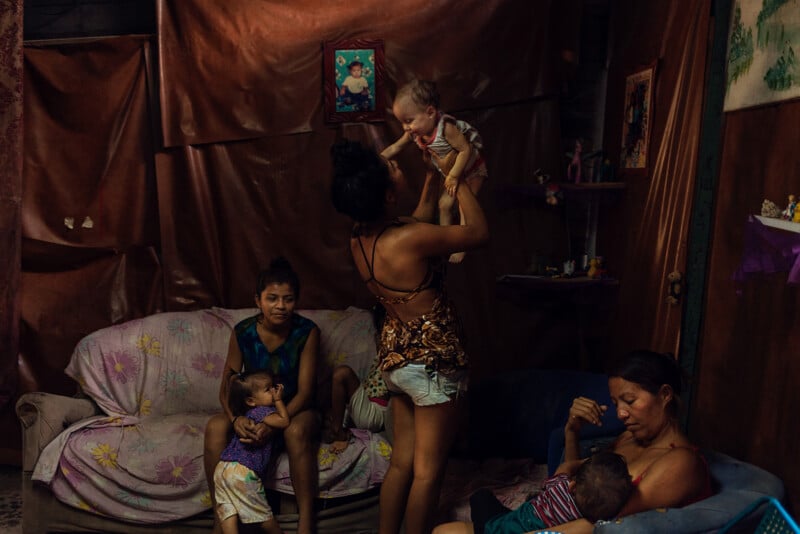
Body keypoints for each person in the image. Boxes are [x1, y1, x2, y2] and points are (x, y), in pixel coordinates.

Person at [330, 139, 489, 534]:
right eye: (392, 170)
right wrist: (457, 178)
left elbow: (415, 221)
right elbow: (478, 233)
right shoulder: (410, 239)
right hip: (431, 363)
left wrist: (432, 179)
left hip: (397, 362)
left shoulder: (361, 236)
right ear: (386, 194)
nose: (396, 165)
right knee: (427, 472)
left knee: (402, 462)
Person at [433, 350, 713, 534]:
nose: (621, 413)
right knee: (443, 531)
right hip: (550, 522)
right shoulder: (628, 438)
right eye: (616, 403)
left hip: (565, 531)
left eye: (629, 401)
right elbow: (569, 479)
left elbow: (598, 525)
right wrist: (572, 431)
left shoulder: (681, 462)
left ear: (664, 395)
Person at [203, 257, 321, 534]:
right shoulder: (243, 332)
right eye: (272, 298)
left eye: (288, 299)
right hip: (255, 412)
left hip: (295, 410)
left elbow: (306, 391)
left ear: (296, 301)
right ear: (258, 300)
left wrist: (273, 422)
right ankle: (220, 518)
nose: (281, 306)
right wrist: (235, 420)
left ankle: (306, 523)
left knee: (294, 431)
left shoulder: (307, 332)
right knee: (215, 426)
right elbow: (226, 386)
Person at [382, 79, 488, 263]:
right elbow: (394, 148)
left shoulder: (446, 128)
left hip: (472, 171)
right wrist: (378, 160)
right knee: (444, 205)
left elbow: (465, 150)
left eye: (409, 121)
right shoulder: (415, 132)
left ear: (430, 112)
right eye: (402, 123)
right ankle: (446, 244)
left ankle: (462, 247)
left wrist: (454, 176)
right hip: (450, 173)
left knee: (465, 208)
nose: (406, 128)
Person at [468, 451, 632, 534]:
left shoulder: (559, 488)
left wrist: (584, 462)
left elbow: (565, 466)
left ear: (572, 486)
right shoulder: (586, 522)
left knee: (481, 496)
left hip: (495, 529)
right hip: (521, 524)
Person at [214, 370, 290, 534]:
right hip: (243, 470)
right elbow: (284, 421)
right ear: (251, 401)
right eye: (268, 389)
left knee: (228, 516)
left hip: (222, 468)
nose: (273, 390)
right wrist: (278, 400)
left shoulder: (246, 415)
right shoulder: (263, 412)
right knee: (266, 519)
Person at [323, 360, 390, 453]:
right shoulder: (381, 356)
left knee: (342, 373)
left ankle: (338, 433)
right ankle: (337, 428)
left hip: (377, 411)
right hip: (363, 406)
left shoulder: (398, 355)